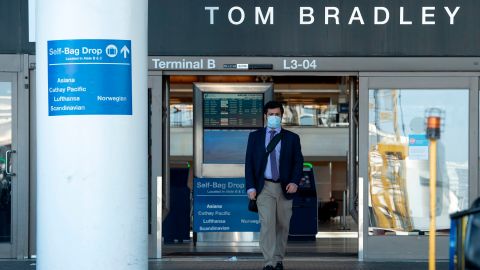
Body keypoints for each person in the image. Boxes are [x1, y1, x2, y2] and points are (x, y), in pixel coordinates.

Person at [245, 101, 304, 270]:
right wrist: (250, 187)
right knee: (267, 224)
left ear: (282, 116)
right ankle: (269, 262)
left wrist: (294, 181)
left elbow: (298, 162)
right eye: (271, 114)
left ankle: (278, 259)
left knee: (283, 224)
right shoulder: (255, 137)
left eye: (277, 114)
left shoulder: (292, 138)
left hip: (285, 187)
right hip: (264, 187)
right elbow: (249, 162)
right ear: (265, 116)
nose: (274, 117)